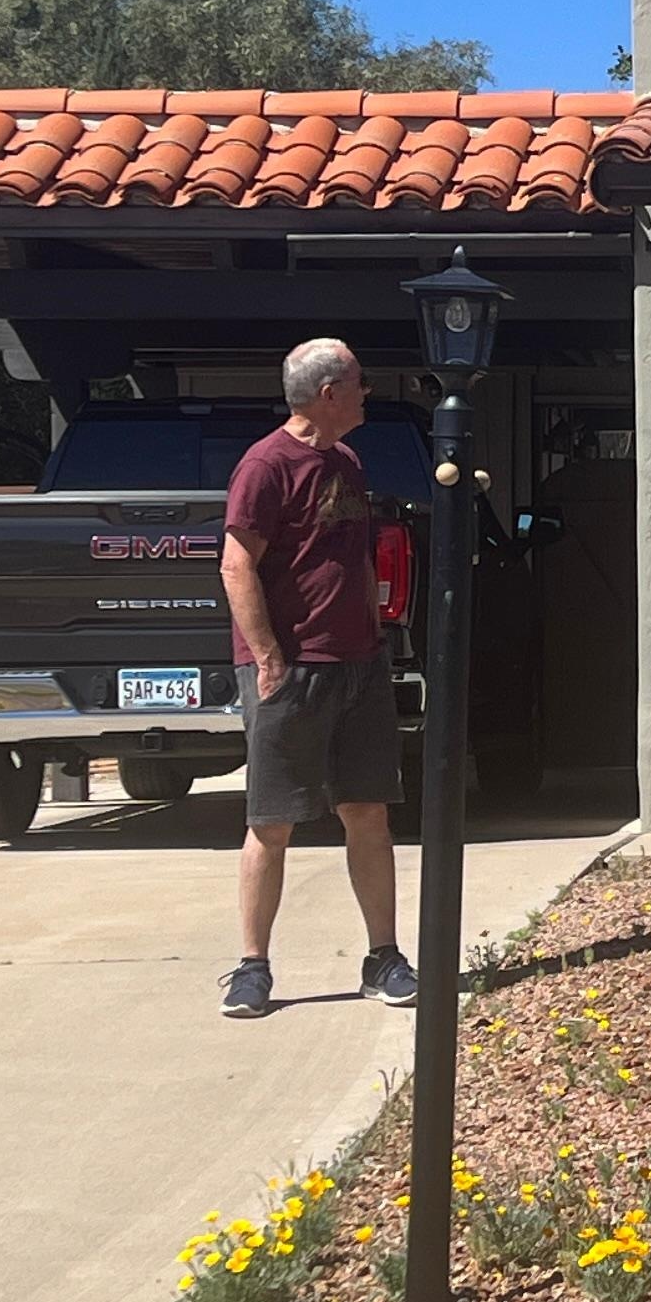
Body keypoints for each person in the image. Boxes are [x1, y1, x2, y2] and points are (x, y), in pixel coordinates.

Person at [219, 338, 417, 1020]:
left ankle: (383, 958)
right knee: (272, 821)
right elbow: (236, 566)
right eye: (359, 383)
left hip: (359, 664)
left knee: (368, 811)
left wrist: (374, 634)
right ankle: (252, 969)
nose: (367, 392)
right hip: (289, 670)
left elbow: (355, 558)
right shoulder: (265, 466)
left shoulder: (349, 463)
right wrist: (269, 656)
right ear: (328, 393)